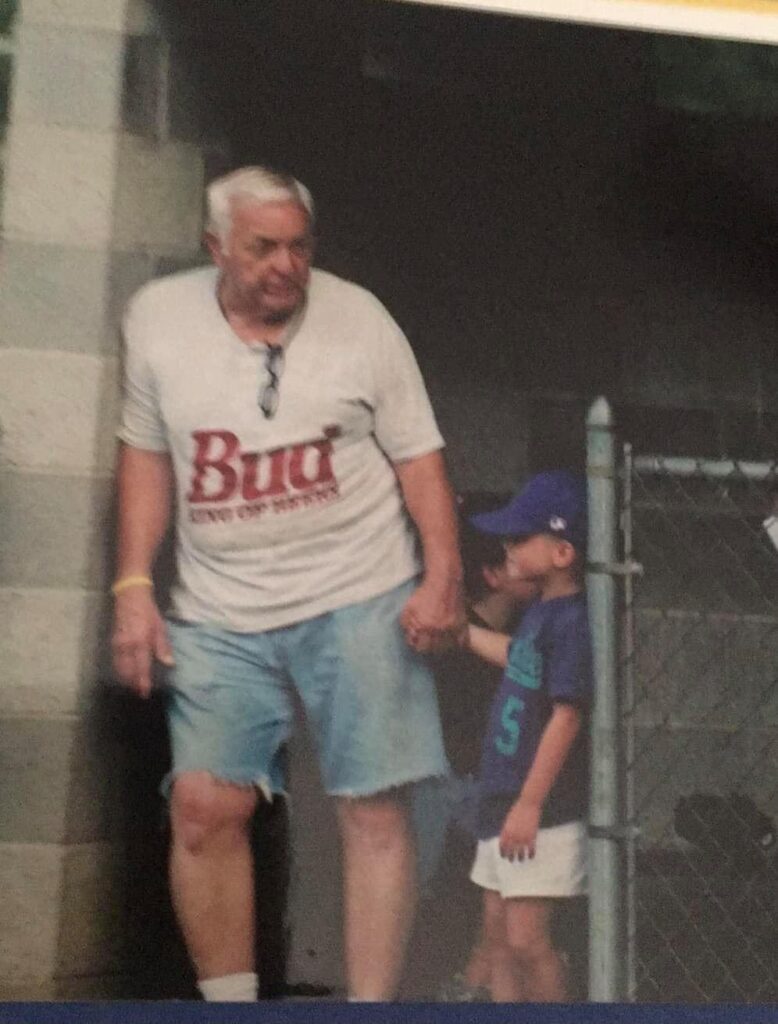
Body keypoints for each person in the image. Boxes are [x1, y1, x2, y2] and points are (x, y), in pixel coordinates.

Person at [110, 165, 465, 1002]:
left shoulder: (360, 319)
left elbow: (420, 458)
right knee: (204, 806)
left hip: (362, 590)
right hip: (218, 606)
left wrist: (443, 575)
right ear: (215, 248)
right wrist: (132, 585)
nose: (286, 266)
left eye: (299, 246)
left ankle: (369, 1009)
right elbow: (146, 453)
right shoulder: (157, 318)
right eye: (263, 248)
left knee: (373, 809)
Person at [463, 470, 591, 1002]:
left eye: (520, 538)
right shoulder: (540, 612)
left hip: (539, 809)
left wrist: (530, 803)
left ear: (562, 552)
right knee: (499, 939)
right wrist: (462, 633)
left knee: (526, 940)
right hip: (502, 800)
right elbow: (518, 658)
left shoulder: (573, 620)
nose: (507, 547)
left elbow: (567, 716)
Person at [412, 493, 538, 1001]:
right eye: (517, 550)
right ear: (492, 574)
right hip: (453, 793)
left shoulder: (531, 625)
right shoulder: (449, 638)